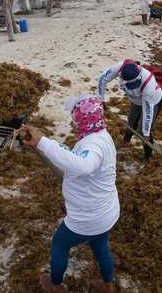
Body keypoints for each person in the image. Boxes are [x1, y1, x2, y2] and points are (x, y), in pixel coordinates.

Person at [19, 95, 119, 293]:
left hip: (87, 219)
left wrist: (43, 142)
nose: (73, 125)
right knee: (100, 246)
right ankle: (108, 286)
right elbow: (74, 158)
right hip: (107, 213)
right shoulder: (102, 135)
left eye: (75, 121)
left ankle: (56, 285)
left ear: (82, 121)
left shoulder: (93, 146)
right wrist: (42, 143)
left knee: (59, 245)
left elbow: (83, 165)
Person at [97, 60, 162, 159]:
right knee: (131, 122)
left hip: (154, 101)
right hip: (136, 101)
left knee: (142, 131)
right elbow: (102, 79)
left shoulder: (148, 84)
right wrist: (101, 99)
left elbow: (148, 112)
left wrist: (145, 133)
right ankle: (126, 141)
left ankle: (148, 156)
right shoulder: (119, 68)